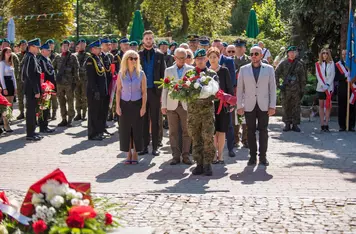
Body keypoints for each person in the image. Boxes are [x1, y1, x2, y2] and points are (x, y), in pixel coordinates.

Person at [237, 46, 277, 166]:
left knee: (263, 131)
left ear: (261, 55)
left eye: (256, 54)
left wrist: (272, 106)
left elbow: (272, 89)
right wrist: (240, 105)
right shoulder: (243, 69)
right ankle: (252, 156)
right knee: (250, 131)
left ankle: (263, 156)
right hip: (249, 104)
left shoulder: (269, 69)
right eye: (252, 54)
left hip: (264, 105)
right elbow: (240, 89)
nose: (254, 56)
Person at [188, 49, 217, 176]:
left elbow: (216, 92)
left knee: (208, 137)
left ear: (206, 59)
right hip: (193, 112)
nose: (200, 60)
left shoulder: (212, 74)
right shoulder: (189, 74)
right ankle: (198, 163)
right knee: (195, 137)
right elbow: (185, 91)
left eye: (202, 58)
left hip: (206, 111)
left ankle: (207, 164)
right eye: (198, 58)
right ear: (195, 60)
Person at [162, 48, 193, 165]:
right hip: (172, 104)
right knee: (173, 131)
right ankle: (175, 155)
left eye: (183, 58)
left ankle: (186, 155)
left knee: (187, 131)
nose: (181, 60)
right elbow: (165, 88)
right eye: (179, 58)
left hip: (185, 105)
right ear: (174, 58)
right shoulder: (168, 70)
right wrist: (163, 105)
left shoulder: (191, 70)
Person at [138, 30, 166, 156]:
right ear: (143, 40)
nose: (148, 40)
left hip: (155, 92)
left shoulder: (159, 55)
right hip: (142, 92)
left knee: (155, 120)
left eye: (150, 38)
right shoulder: (138, 55)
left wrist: (162, 93)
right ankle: (144, 146)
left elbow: (163, 74)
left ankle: (155, 147)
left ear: (153, 39)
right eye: (146, 38)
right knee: (143, 119)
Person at [116, 50, 147, 164]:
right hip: (124, 104)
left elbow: (144, 92)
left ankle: (135, 154)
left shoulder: (141, 74)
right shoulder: (121, 73)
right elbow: (118, 91)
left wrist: (143, 107)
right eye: (131, 58)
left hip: (137, 103)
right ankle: (128, 153)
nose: (134, 60)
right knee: (125, 130)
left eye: (136, 58)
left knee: (137, 130)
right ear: (126, 60)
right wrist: (117, 106)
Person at [207, 47, 234, 164]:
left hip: (223, 106)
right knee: (213, 131)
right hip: (209, 106)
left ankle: (221, 154)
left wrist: (230, 102)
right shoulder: (206, 73)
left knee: (221, 131)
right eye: (210, 57)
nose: (213, 59)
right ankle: (213, 155)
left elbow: (229, 88)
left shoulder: (224, 71)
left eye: (215, 57)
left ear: (219, 58)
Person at [275, 46, 306, 132]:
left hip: (296, 89)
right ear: (288, 53)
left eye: (294, 52)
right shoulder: (283, 63)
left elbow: (303, 78)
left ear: (296, 53)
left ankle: (295, 124)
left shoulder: (299, 64)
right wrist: (278, 85)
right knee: (286, 106)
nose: (292, 54)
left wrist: (302, 89)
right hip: (286, 89)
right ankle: (287, 124)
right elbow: (276, 73)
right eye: (290, 52)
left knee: (296, 107)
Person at [53, 40, 79, 127]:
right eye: (63, 46)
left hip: (69, 83)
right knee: (61, 101)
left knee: (70, 101)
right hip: (60, 83)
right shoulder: (57, 57)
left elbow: (76, 70)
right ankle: (63, 118)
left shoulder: (72, 57)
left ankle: (70, 119)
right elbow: (52, 68)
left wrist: (75, 82)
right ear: (61, 47)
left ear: (69, 47)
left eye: (66, 46)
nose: (64, 47)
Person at [86, 40, 107, 141]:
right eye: (98, 48)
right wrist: (95, 91)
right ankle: (92, 134)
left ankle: (99, 131)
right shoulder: (90, 60)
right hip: (94, 92)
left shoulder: (98, 59)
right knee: (93, 113)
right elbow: (91, 78)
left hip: (100, 91)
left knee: (99, 112)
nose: (100, 50)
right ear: (93, 49)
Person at [22, 38, 42, 141]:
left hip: (32, 89)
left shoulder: (32, 57)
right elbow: (30, 75)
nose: (38, 49)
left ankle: (33, 131)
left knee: (33, 111)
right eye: (37, 47)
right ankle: (30, 134)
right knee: (30, 112)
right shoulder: (30, 57)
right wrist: (36, 90)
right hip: (31, 90)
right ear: (32, 47)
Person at [233, 39, 249, 148]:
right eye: (237, 47)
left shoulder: (249, 60)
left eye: (241, 47)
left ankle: (246, 139)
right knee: (235, 116)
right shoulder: (230, 60)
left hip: (247, 91)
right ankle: (235, 138)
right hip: (234, 91)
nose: (239, 49)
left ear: (244, 48)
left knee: (246, 116)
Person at [38, 42, 56, 133]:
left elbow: (52, 73)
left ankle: (45, 125)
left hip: (49, 86)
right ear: (43, 51)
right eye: (48, 50)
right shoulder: (41, 60)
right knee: (43, 107)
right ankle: (42, 126)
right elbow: (45, 74)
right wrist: (43, 88)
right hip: (45, 86)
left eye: (50, 50)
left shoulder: (47, 59)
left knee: (47, 106)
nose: (50, 51)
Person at [315, 48, 335, 132]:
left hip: (329, 88)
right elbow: (318, 75)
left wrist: (327, 84)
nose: (325, 55)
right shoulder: (317, 64)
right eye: (323, 53)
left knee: (328, 106)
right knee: (321, 106)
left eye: (326, 53)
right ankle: (322, 124)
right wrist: (323, 85)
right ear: (321, 54)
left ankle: (326, 123)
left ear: (328, 54)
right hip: (321, 88)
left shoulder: (332, 63)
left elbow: (332, 75)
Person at [336, 49, 355, 131]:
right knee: (342, 108)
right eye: (343, 54)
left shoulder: (353, 64)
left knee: (352, 107)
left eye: (346, 54)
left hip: (352, 88)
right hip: (342, 89)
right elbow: (336, 77)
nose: (344, 56)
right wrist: (344, 76)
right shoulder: (338, 64)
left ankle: (351, 125)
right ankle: (342, 126)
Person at [100, 38, 114, 136]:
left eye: (110, 44)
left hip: (108, 84)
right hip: (102, 86)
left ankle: (103, 126)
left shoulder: (108, 56)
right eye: (107, 44)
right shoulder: (99, 56)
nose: (109, 46)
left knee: (105, 107)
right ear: (102, 45)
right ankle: (101, 127)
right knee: (101, 108)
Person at [0, 47, 17, 133]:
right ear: (4, 53)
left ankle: (7, 121)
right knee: (5, 107)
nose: (9, 53)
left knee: (10, 106)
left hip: (11, 85)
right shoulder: (2, 63)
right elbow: (1, 77)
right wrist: (4, 88)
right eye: (7, 52)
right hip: (5, 84)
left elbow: (13, 77)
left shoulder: (10, 62)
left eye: (10, 52)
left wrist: (15, 87)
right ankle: (6, 125)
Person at [74, 39, 90, 121]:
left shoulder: (88, 55)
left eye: (84, 44)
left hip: (85, 79)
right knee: (77, 96)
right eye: (80, 44)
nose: (82, 46)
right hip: (76, 80)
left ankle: (84, 113)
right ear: (77, 46)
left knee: (84, 96)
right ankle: (78, 113)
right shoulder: (74, 55)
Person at [45, 39, 59, 120]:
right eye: (49, 45)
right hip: (47, 80)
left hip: (54, 79)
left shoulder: (56, 55)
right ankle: (48, 113)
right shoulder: (44, 55)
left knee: (54, 98)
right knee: (47, 97)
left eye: (52, 44)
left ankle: (54, 113)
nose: (51, 46)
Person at [16, 39, 27, 120]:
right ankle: (21, 112)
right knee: (20, 97)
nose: (23, 46)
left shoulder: (29, 55)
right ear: (19, 47)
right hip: (19, 79)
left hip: (28, 80)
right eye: (22, 45)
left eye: (25, 45)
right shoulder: (16, 56)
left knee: (28, 97)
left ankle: (28, 112)